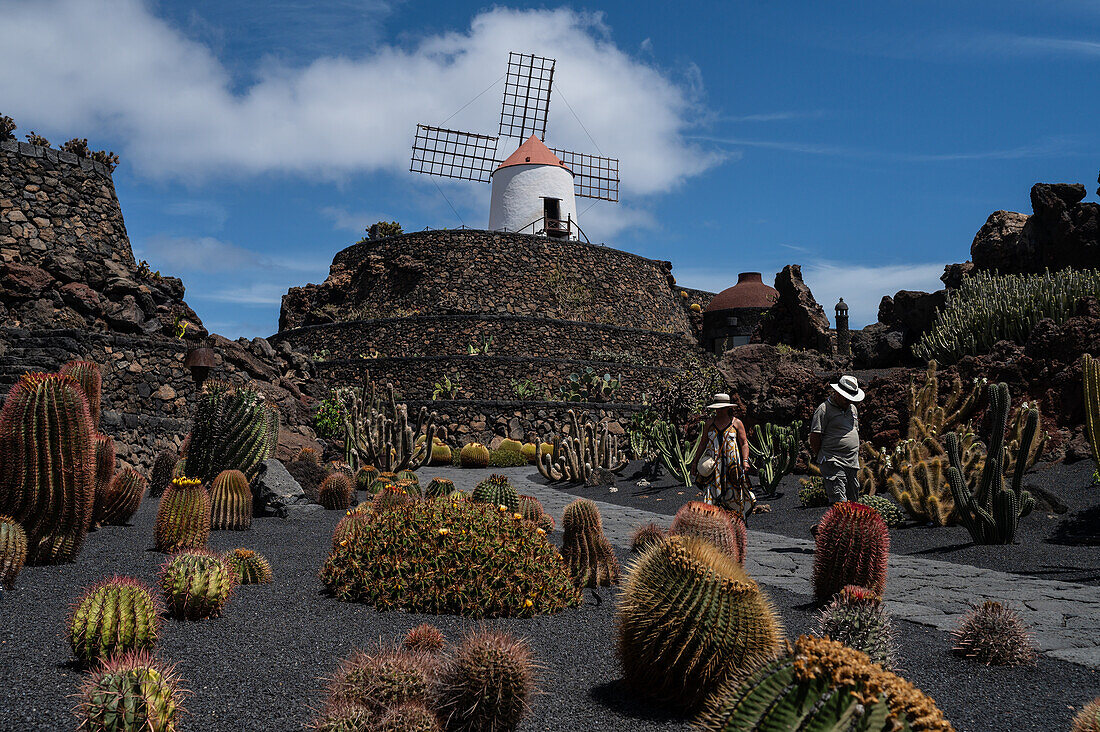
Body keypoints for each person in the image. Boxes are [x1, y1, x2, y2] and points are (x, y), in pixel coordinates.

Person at [693, 393, 754, 518]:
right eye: (717, 408)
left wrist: (745, 460)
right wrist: (695, 462)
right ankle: (711, 521)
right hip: (713, 465)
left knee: (734, 493)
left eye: (722, 408)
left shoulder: (736, 423)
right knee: (711, 492)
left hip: (732, 466)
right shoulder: (709, 424)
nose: (719, 411)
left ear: (727, 408)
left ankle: (735, 521)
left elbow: (744, 443)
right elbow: (702, 443)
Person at [809, 374, 865, 505]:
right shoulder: (823, 409)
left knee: (853, 501)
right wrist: (824, 456)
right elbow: (815, 437)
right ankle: (840, 525)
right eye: (846, 398)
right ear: (837, 393)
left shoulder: (852, 409)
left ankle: (850, 526)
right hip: (833, 460)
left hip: (852, 462)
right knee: (840, 502)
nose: (849, 401)